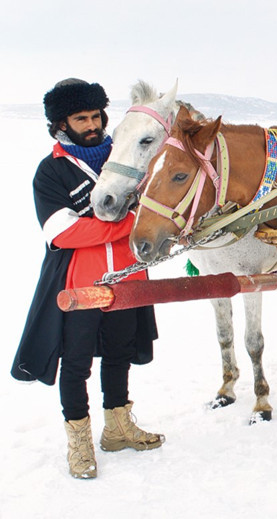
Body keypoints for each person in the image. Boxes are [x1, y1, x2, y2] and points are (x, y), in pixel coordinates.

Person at [11, 78, 164, 480]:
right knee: (76, 364)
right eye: (82, 118)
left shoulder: (123, 155)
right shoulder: (51, 172)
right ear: (62, 123)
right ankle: (79, 441)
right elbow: (63, 233)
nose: (92, 124)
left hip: (128, 279)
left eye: (96, 116)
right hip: (81, 285)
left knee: (119, 355)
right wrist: (124, 222)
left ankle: (117, 428)